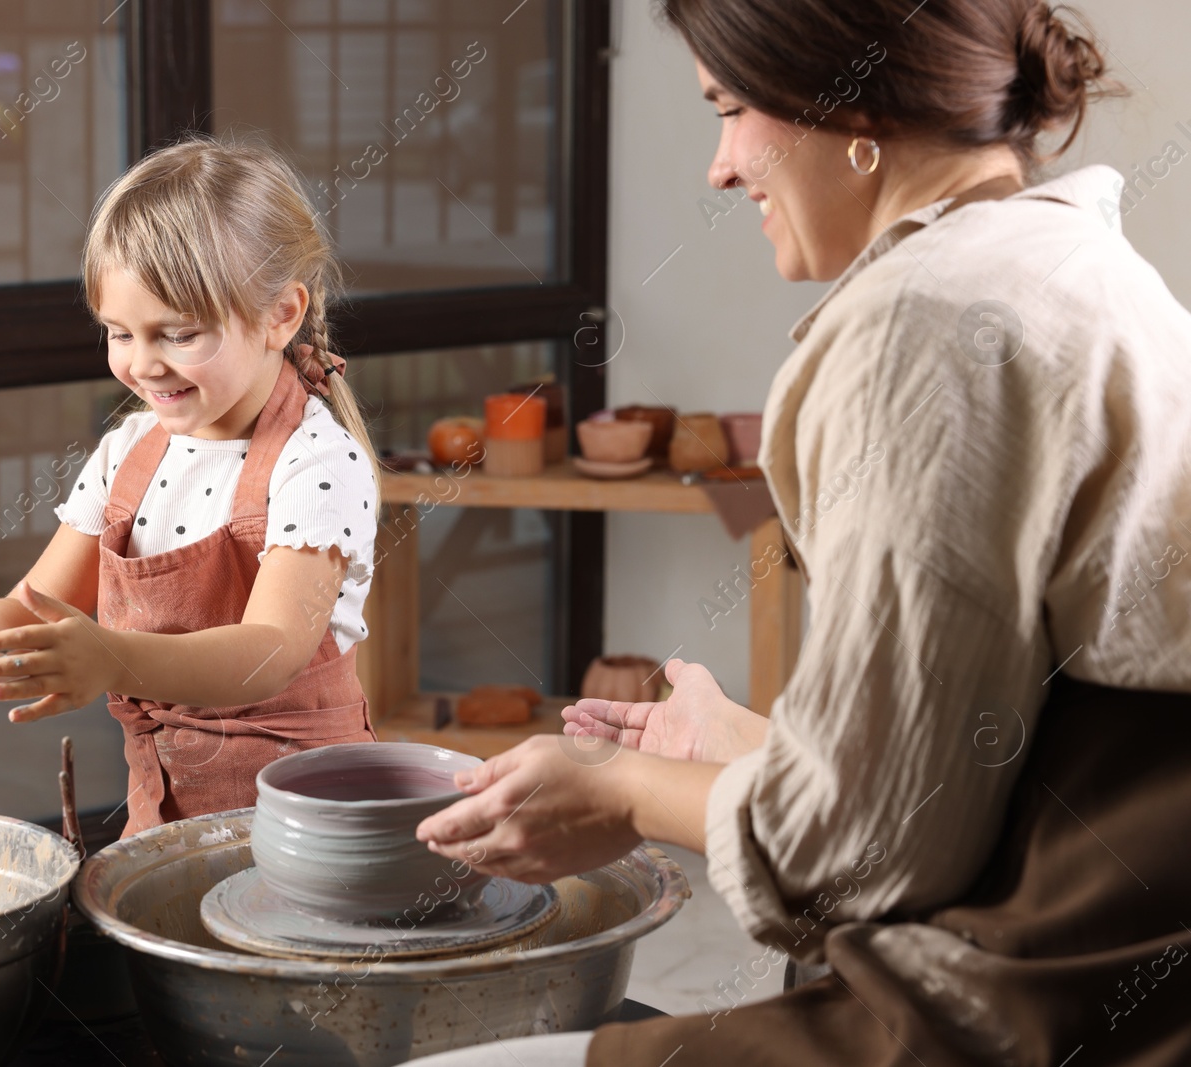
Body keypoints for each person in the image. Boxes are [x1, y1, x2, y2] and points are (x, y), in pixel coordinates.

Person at [412, 0, 1191, 1063]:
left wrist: (625, 793)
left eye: (730, 109)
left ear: (853, 101)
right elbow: (992, 751)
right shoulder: (1071, 264)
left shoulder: (927, 323)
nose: (719, 169)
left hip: (1032, 1000)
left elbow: (866, 855)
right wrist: (758, 752)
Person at [0, 135, 380, 836]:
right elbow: (36, 607)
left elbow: (270, 651)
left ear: (280, 315)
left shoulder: (315, 462)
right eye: (120, 333)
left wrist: (112, 657)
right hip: (165, 815)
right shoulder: (129, 451)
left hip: (305, 827)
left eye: (179, 334)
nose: (145, 364)